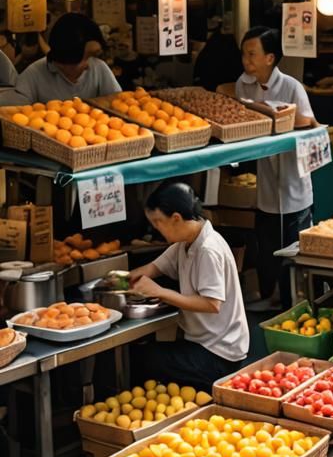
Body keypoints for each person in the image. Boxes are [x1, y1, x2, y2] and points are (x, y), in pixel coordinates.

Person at [129, 182, 249, 386]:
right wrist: (122, 281)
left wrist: (160, 292)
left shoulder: (207, 249)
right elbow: (153, 268)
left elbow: (212, 304)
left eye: (158, 221)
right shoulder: (185, 243)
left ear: (176, 218)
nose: (156, 228)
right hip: (204, 343)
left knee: (144, 359)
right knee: (146, 355)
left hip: (220, 353)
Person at [235, 27, 317, 311]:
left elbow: (307, 121)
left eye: (252, 54)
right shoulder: (243, 84)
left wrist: (270, 111)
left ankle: (296, 300)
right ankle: (271, 296)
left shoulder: (291, 86)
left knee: (294, 245)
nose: (246, 60)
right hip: (266, 179)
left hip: (294, 178)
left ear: (270, 58)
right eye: (244, 54)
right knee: (267, 244)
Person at [15, 13, 119, 103]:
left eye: (94, 55)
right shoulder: (33, 75)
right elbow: (16, 112)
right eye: (84, 58)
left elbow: (118, 103)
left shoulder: (99, 68)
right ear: (62, 60)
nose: (89, 64)